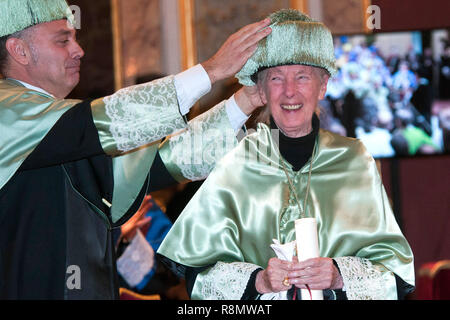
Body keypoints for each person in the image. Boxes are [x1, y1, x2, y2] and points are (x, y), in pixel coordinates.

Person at [0, 0, 271, 299]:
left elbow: (158, 163)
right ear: (19, 50)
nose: (79, 50)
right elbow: (104, 120)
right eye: (63, 40)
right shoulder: (8, 115)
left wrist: (245, 101)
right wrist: (211, 70)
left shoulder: (58, 131)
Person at [158, 9, 415, 300]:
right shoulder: (237, 161)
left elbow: (392, 274)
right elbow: (200, 276)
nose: (289, 92)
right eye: (277, 78)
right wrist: (259, 281)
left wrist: (338, 275)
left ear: (323, 86)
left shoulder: (355, 159)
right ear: (262, 92)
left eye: (302, 77)